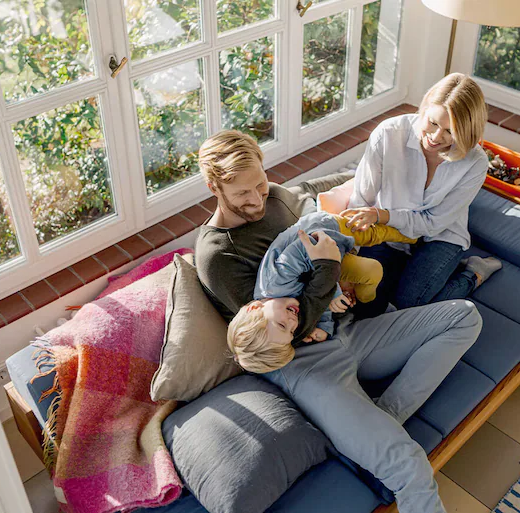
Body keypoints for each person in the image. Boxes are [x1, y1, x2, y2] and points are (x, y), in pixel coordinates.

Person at [195, 129, 482, 513]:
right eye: (243, 194)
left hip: (346, 329)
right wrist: (328, 272)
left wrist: (339, 279)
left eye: (260, 185)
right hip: (303, 365)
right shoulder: (217, 256)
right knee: (407, 464)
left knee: (464, 316)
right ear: (214, 187)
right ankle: (374, 433)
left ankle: (385, 416)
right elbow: (279, 328)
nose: (257, 199)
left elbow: (318, 262)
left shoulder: (277, 199)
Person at [342, 73, 502, 319]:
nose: (436, 137)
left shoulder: (476, 162)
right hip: (387, 233)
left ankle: (473, 274)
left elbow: (434, 223)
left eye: (451, 131)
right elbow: (361, 199)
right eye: (433, 122)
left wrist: (382, 215)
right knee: (368, 307)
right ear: (425, 108)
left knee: (408, 303)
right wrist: (348, 259)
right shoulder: (388, 133)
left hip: (439, 235)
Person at [227, 210, 417, 373]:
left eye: (282, 325)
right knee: (368, 267)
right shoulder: (284, 306)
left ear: (255, 309)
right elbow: (317, 301)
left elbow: (306, 247)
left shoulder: (276, 282)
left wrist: (334, 292)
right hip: (326, 259)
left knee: (372, 239)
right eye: (292, 331)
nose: (293, 322)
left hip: (323, 230)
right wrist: (324, 328)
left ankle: (410, 235)